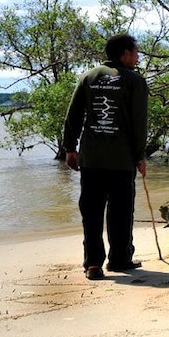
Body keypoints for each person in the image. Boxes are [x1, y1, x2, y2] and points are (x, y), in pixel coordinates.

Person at [62, 34, 148, 280]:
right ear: (125, 54)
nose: (137, 56)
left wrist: (70, 148)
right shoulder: (134, 80)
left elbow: (74, 115)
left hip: (91, 159)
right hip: (121, 160)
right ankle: (120, 259)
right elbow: (138, 123)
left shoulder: (88, 77)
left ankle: (93, 264)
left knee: (91, 211)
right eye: (135, 51)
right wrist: (140, 155)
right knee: (121, 212)